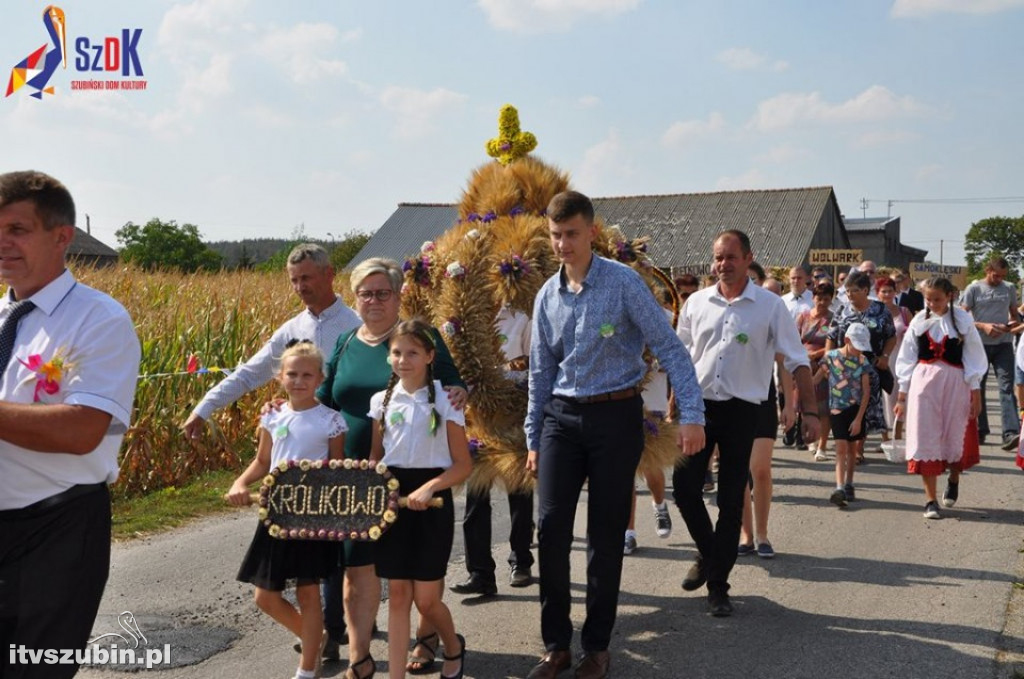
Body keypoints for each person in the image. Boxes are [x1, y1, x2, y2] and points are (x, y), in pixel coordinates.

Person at [524, 191, 705, 679]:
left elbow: (669, 346)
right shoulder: (547, 295)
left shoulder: (623, 283)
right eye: (556, 235)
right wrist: (533, 437)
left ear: (591, 232)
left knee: (606, 535)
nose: (563, 245)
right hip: (561, 419)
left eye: (572, 234)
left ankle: (597, 647)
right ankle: (556, 646)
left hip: (614, 419)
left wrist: (691, 412)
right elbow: (541, 372)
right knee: (552, 529)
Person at [182, 243, 360, 660]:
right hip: (292, 462)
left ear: (329, 274)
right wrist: (203, 408)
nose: (300, 287)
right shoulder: (291, 329)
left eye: (307, 279)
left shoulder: (352, 325)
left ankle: (332, 632)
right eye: (294, 280)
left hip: (338, 444)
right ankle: (326, 639)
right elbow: (250, 371)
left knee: (331, 556)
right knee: (307, 569)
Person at [0, 171, 141, 679]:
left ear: (63, 236)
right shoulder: (3, 316)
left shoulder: (98, 320)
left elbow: (83, 429)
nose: (2, 242)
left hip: (56, 532)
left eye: (17, 229)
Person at [316, 258, 468, 677]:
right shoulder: (346, 342)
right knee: (355, 565)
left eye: (383, 292)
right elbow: (324, 399)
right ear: (355, 297)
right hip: (359, 477)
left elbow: (452, 387)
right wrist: (286, 412)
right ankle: (360, 658)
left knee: (413, 579)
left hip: (418, 471)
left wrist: (458, 395)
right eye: (366, 293)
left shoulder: (422, 338)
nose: (374, 300)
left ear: (399, 296)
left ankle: (427, 640)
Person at [675, 229, 818, 618]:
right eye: (718, 257)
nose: (723, 264)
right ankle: (709, 555)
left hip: (743, 410)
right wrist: (674, 406)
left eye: (731, 257)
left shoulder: (770, 307)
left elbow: (797, 359)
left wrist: (810, 411)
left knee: (730, 497)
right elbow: (681, 358)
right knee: (685, 488)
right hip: (699, 408)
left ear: (748, 258)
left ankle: (719, 585)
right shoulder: (696, 303)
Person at [227, 341, 346, 679]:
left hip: (310, 516)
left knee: (309, 594)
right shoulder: (272, 415)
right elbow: (263, 461)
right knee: (265, 597)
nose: (299, 380)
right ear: (280, 377)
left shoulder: (331, 421)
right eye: (292, 374)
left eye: (307, 374)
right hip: (275, 514)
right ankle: (315, 638)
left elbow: (337, 471)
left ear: (320, 378)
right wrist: (240, 484)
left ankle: (307, 669)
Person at [368, 320, 471, 679]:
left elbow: (463, 465)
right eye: (396, 352)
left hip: (431, 501)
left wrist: (430, 487)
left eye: (412, 352)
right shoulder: (380, 401)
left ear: (430, 356)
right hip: (393, 502)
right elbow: (375, 460)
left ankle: (453, 646)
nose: (403, 360)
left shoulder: (446, 399)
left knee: (426, 600)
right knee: (397, 595)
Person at [450, 305, 535, 594]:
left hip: (511, 414)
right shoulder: (463, 318)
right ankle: (480, 573)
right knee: (476, 494)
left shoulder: (521, 317)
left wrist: (498, 378)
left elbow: (532, 367)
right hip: (476, 419)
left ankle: (521, 561)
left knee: (518, 491)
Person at [895, 277, 986, 519]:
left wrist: (975, 390)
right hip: (923, 385)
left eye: (937, 299)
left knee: (954, 435)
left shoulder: (963, 320)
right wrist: (902, 396)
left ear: (949, 297)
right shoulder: (919, 321)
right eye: (929, 299)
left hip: (956, 384)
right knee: (925, 436)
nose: (933, 303)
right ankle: (930, 500)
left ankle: (954, 478)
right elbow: (906, 357)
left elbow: (974, 357)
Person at [738, 278, 794, 560]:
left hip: (762, 400)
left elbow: (784, 363)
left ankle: (762, 534)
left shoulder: (773, 315)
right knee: (738, 475)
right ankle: (746, 534)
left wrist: (789, 404)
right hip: (730, 402)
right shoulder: (734, 313)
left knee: (759, 469)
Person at [825, 271, 896, 464]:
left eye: (854, 290)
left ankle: (858, 449)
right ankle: (845, 445)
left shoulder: (880, 310)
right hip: (844, 367)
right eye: (847, 291)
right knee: (846, 406)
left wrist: (885, 356)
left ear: (866, 290)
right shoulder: (841, 310)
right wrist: (828, 360)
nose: (850, 295)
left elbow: (891, 336)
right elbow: (831, 337)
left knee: (865, 406)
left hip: (870, 366)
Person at [960, 256, 1022, 450]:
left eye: (1002, 276)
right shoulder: (974, 289)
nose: (999, 280)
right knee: (979, 388)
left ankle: (1010, 432)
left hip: (1004, 345)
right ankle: (980, 430)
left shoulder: (1009, 288)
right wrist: (983, 326)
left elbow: (1014, 314)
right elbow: (962, 316)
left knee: (1006, 387)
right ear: (988, 271)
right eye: (996, 276)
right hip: (979, 345)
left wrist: (1011, 325)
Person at [820, 323, 871, 508]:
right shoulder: (831, 357)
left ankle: (849, 483)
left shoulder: (863, 361)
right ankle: (839, 487)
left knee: (852, 449)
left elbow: (866, 391)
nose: (860, 350)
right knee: (840, 448)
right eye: (858, 345)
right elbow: (820, 374)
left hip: (855, 410)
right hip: (836, 409)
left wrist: (859, 418)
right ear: (847, 340)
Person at [798, 281, 835, 460]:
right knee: (805, 403)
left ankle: (823, 445)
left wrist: (815, 354)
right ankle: (811, 437)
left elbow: (834, 345)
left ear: (831, 300)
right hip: (802, 365)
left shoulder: (833, 319)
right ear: (813, 298)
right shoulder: (803, 316)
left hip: (823, 365)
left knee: (823, 407)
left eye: (826, 299)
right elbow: (795, 339)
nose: (821, 302)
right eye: (819, 298)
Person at [878, 276, 913, 440]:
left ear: (895, 292)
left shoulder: (904, 312)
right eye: (883, 291)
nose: (887, 294)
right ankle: (884, 438)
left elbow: (915, 335)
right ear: (878, 293)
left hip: (901, 357)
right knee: (882, 398)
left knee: (899, 395)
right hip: (881, 359)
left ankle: (897, 435)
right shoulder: (873, 312)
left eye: (890, 291)